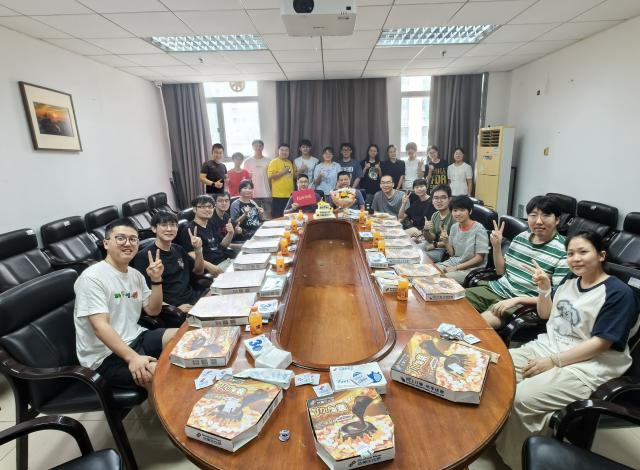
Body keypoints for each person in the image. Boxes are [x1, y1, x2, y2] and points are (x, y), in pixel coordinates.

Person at [494, 231, 639, 470]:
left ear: (601, 255)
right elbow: (545, 314)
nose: (575, 258)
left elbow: (601, 343)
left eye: (583, 252)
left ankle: (518, 461)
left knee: (521, 398)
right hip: (548, 347)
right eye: (570, 253)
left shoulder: (619, 293)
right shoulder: (570, 280)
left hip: (588, 366)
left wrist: (553, 361)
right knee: (495, 371)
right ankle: (504, 435)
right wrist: (544, 289)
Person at [74, 218, 177, 391]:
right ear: (106, 243)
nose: (128, 243)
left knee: (184, 335)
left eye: (133, 239)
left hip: (136, 337)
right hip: (105, 355)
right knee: (155, 374)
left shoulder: (135, 275)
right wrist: (133, 358)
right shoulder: (91, 278)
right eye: (120, 238)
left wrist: (156, 280)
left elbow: (153, 310)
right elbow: (100, 327)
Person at [466, 195, 570, 329]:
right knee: (452, 301)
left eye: (545, 215)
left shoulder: (564, 250)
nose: (539, 221)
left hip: (523, 303)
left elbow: (555, 297)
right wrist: (496, 246)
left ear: (557, 220)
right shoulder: (521, 237)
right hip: (497, 289)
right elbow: (501, 271)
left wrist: (517, 299)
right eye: (533, 215)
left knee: (474, 325)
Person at [133, 212, 205, 313]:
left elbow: (199, 271)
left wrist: (198, 250)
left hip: (193, 299)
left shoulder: (178, 249)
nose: (169, 229)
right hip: (175, 309)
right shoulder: (144, 257)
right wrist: (173, 309)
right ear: (154, 228)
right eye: (164, 225)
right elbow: (146, 295)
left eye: (173, 225)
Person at [436, 196, 489, 284]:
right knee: (431, 271)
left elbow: (479, 258)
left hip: (472, 268)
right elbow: (452, 253)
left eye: (462, 210)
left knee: (440, 279)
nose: (458, 213)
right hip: (454, 262)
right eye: (455, 210)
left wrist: (456, 268)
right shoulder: (454, 227)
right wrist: (446, 242)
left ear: (470, 211)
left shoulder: (479, 229)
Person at [177, 195, 231, 276]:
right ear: (194, 209)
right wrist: (212, 267)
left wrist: (230, 233)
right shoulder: (189, 230)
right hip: (211, 269)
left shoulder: (210, 223)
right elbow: (191, 254)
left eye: (210, 207)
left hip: (224, 261)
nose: (207, 209)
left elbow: (222, 245)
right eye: (202, 207)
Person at [423, 184, 454, 262]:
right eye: (436, 198)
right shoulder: (435, 215)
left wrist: (435, 245)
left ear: (450, 199)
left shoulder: (455, 216)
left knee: (420, 256)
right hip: (435, 245)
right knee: (413, 249)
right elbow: (431, 238)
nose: (439, 201)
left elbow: (455, 241)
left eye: (443, 197)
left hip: (446, 250)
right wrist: (426, 230)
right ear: (432, 201)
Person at [243, 139, 272, 218]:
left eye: (260, 146)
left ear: (263, 147)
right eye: (256, 146)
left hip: (267, 193)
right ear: (253, 147)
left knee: (268, 214)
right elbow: (245, 179)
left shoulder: (269, 161)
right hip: (253, 193)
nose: (258, 148)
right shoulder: (247, 161)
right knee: (254, 215)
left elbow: (271, 177)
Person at [267, 143, 295, 218]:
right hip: (278, 195)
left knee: (288, 217)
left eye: (286, 150)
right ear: (278, 151)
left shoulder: (289, 162)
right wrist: (282, 172)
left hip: (289, 195)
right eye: (282, 150)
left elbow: (290, 177)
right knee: (278, 217)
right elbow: (270, 176)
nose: (284, 152)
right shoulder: (274, 161)